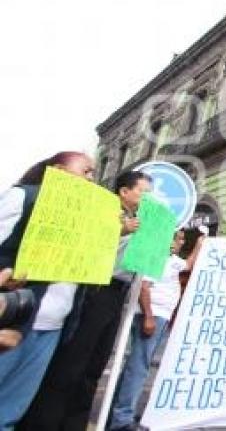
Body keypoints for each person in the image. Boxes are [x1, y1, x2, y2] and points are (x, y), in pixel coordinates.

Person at [20, 169, 152, 431]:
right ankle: (44, 422)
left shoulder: (142, 221)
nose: (149, 198)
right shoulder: (102, 212)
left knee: (95, 365)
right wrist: (120, 230)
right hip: (95, 291)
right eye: (144, 192)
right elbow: (84, 246)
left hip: (119, 295)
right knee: (72, 363)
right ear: (124, 192)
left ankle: (74, 423)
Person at [0, 152, 95, 428]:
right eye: (86, 171)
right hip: (13, 319)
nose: (92, 179)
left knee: (11, 412)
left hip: (52, 328)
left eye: (93, 173)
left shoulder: (86, 220)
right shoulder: (23, 197)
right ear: (58, 170)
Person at [109, 229, 203, 431]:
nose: (181, 242)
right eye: (178, 239)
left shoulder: (171, 259)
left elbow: (189, 263)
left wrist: (200, 244)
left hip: (161, 316)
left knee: (135, 366)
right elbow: (144, 287)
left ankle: (119, 414)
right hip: (152, 315)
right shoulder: (156, 257)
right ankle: (121, 420)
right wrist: (149, 316)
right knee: (138, 367)